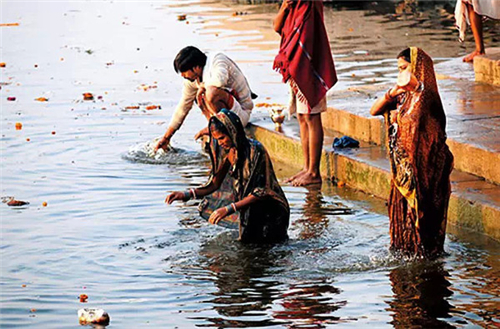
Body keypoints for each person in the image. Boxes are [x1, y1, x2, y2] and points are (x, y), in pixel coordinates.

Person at [370, 47, 454, 258]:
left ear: (417, 68)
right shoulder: (402, 97)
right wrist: (393, 92)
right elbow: (374, 110)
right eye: (398, 69)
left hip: (426, 174)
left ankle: (426, 268)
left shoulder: (427, 95)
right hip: (403, 172)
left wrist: (410, 85)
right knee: (403, 226)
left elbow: (418, 115)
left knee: (423, 226)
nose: (400, 73)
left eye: (404, 68)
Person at [165, 109, 290, 244]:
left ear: (233, 132)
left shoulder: (255, 151)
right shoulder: (227, 151)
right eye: (217, 139)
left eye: (222, 138)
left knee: (270, 249)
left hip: (270, 210)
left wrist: (229, 208)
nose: (220, 143)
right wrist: (186, 194)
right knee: (247, 250)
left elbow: (262, 191)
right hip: (247, 209)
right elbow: (214, 184)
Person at [273, 0, 337, 187]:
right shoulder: (292, 5)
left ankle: (314, 172)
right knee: (302, 117)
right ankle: (306, 167)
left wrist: (300, 66)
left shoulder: (310, 4)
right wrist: (285, 6)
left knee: (312, 117)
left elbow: (308, 38)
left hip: (308, 67)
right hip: (295, 67)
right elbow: (278, 27)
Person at [154, 46, 256, 152]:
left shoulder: (217, 59)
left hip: (241, 114)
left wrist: (202, 88)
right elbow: (183, 106)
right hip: (225, 113)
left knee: (211, 93)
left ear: (196, 67)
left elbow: (220, 81)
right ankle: (216, 127)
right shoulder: (193, 79)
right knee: (203, 95)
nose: (183, 76)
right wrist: (166, 137)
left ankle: (221, 128)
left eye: (185, 71)